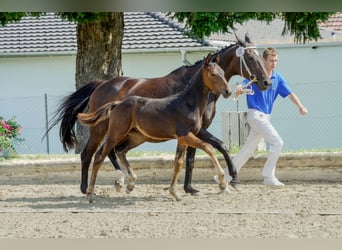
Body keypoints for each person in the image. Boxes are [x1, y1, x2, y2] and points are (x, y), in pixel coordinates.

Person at [215, 47, 308, 187]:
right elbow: (243, 85)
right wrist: (239, 88)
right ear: (264, 60)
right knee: (277, 142)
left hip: (265, 117)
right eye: (271, 60)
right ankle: (268, 176)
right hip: (255, 115)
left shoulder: (278, 78)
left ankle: (225, 176)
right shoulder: (256, 76)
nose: (274, 63)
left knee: (247, 150)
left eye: (276, 60)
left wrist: (300, 106)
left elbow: (290, 94)